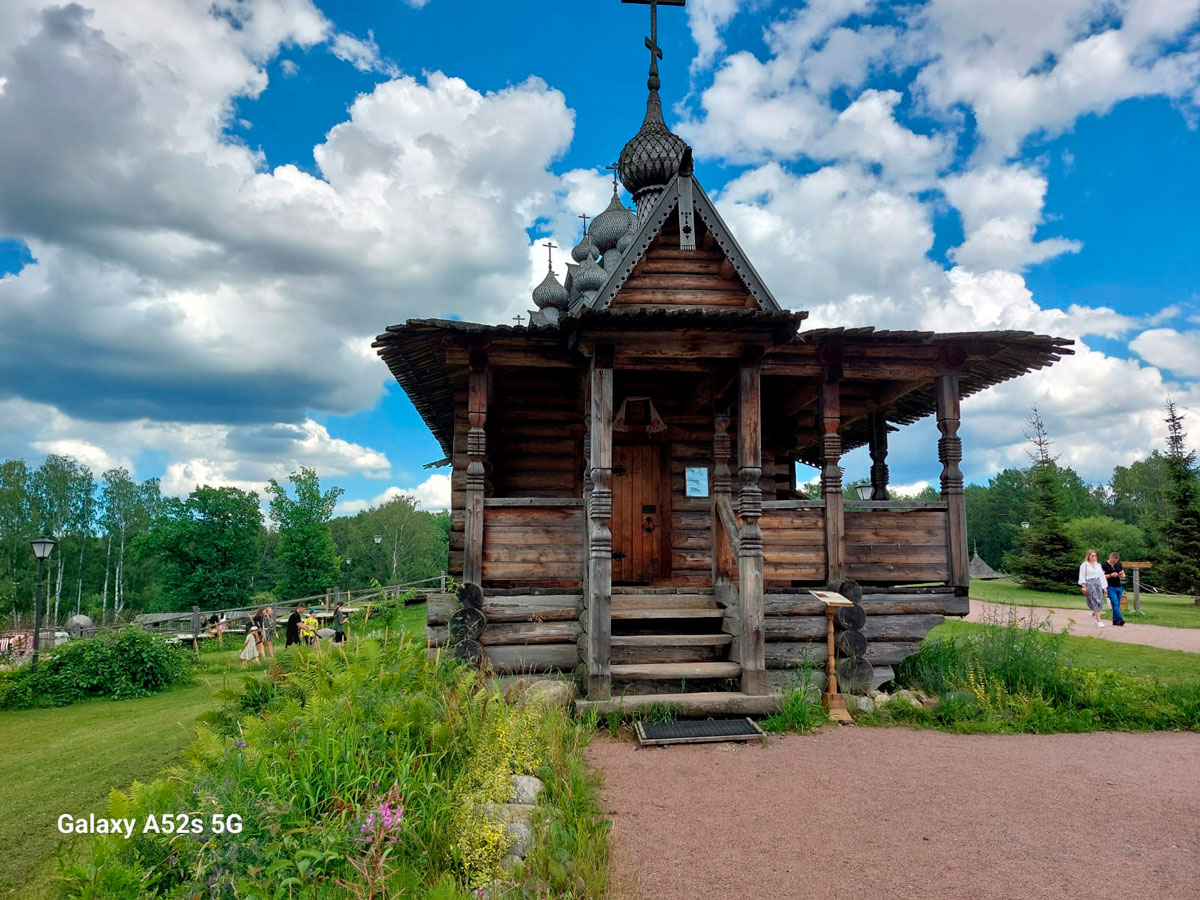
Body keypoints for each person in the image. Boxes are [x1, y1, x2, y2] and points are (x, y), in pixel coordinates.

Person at [1078, 549, 1108, 628]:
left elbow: (1101, 576)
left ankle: (1094, 613)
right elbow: (1082, 576)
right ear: (1088, 556)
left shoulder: (1098, 565)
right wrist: (1083, 586)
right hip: (1090, 583)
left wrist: (1104, 587)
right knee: (1095, 600)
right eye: (1092, 555)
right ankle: (1099, 621)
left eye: (1095, 555)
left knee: (1100, 601)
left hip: (1098, 583)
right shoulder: (1084, 565)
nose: (1094, 557)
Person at [1102, 552, 1127, 626]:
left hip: (1119, 586)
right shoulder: (1104, 565)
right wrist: (1110, 575)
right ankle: (1120, 619)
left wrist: (1122, 575)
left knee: (1117, 605)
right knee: (1115, 603)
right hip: (1110, 587)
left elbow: (1123, 574)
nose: (1115, 562)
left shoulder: (1118, 565)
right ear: (1111, 558)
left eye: (1116, 560)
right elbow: (1101, 576)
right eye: (1114, 560)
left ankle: (1115, 621)